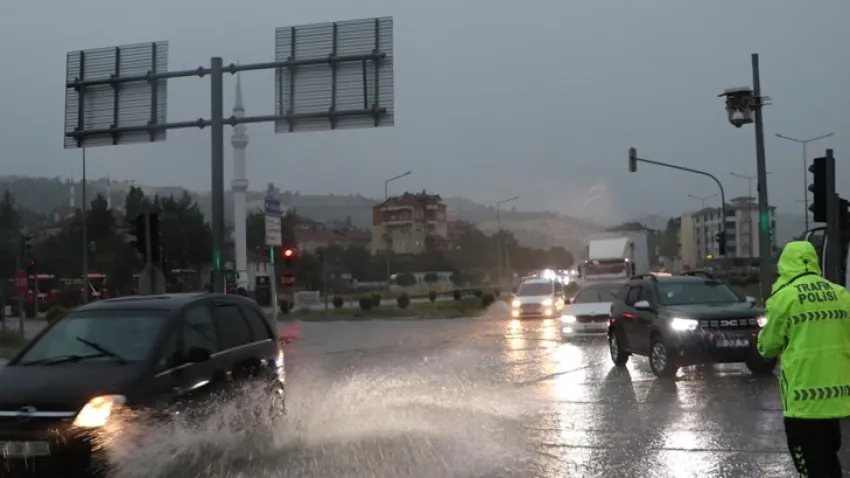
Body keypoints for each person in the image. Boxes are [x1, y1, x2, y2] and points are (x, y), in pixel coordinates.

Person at [758, 240, 850, 477]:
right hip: (837, 400)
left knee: (811, 468)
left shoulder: (784, 298)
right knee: (828, 462)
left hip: (803, 402)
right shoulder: (841, 294)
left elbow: (767, 348)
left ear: (785, 265)